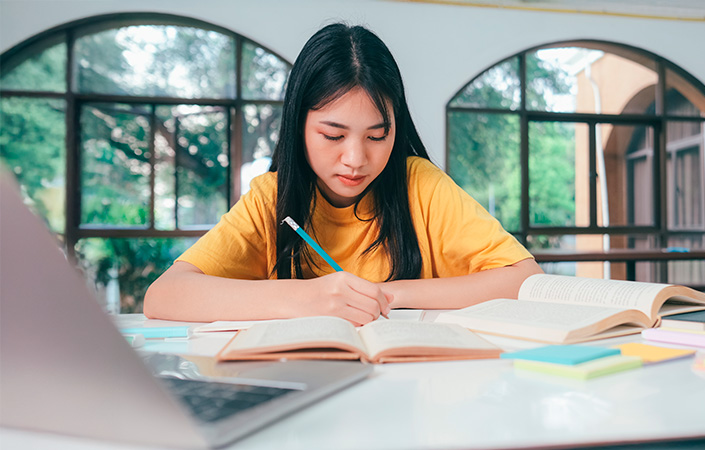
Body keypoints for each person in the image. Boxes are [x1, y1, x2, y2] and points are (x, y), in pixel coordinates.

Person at [143, 23, 542, 325]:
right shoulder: (272, 198)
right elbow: (164, 296)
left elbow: (524, 279)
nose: (355, 159)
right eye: (333, 135)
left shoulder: (418, 184)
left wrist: (380, 295)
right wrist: (310, 299)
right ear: (298, 125)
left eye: (377, 135)